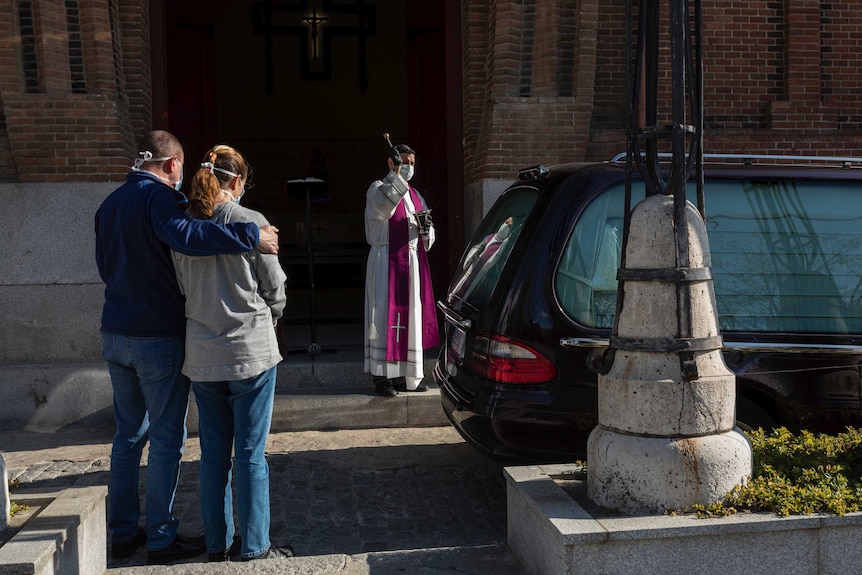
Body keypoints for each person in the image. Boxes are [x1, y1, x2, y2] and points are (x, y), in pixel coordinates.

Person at [94, 130, 280, 565]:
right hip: (157, 334)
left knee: (126, 436)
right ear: (172, 164)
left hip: (116, 329)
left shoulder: (108, 204)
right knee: (166, 438)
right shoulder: (161, 200)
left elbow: (105, 267)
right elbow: (189, 238)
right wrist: (249, 235)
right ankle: (160, 538)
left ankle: (122, 532)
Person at [172, 144, 293, 561]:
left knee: (212, 456)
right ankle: (256, 545)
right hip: (249, 351)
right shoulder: (249, 220)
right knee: (250, 455)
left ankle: (216, 543)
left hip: (204, 354)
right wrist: (271, 315)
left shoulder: (184, 227)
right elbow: (274, 286)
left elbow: (183, 288)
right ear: (237, 182)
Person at [364, 143, 439, 397]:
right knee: (384, 315)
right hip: (387, 261)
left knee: (411, 317)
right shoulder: (378, 188)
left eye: (412, 163)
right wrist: (395, 175)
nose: (409, 167)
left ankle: (405, 377)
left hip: (410, 261)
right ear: (392, 162)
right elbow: (384, 205)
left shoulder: (416, 195)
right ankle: (382, 377)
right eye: (405, 162)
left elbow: (427, 235)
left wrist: (426, 229)